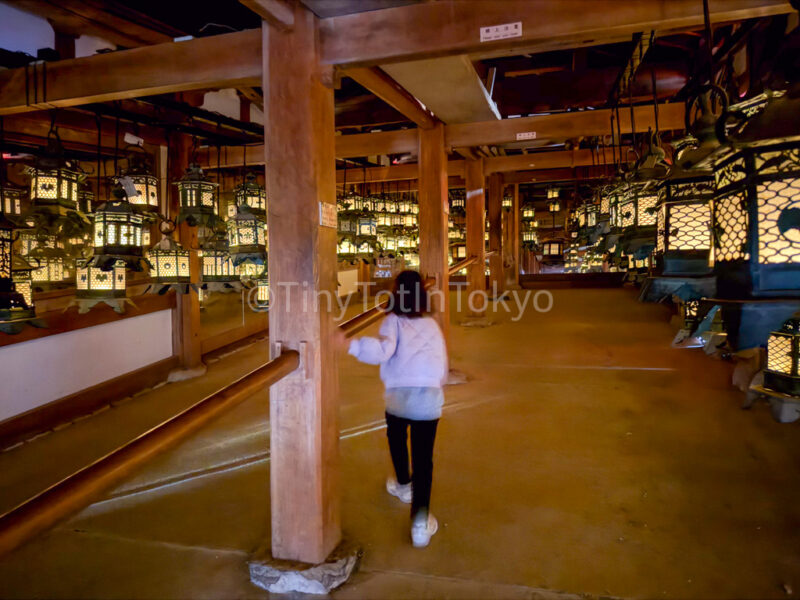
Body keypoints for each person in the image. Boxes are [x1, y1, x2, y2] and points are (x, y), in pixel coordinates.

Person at [342, 270, 448, 548]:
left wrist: (350, 345)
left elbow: (383, 351)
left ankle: (403, 485)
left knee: (397, 437)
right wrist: (435, 385)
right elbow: (442, 364)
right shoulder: (432, 325)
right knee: (424, 460)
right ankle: (421, 524)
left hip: (399, 395)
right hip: (428, 397)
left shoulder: (392, 321)